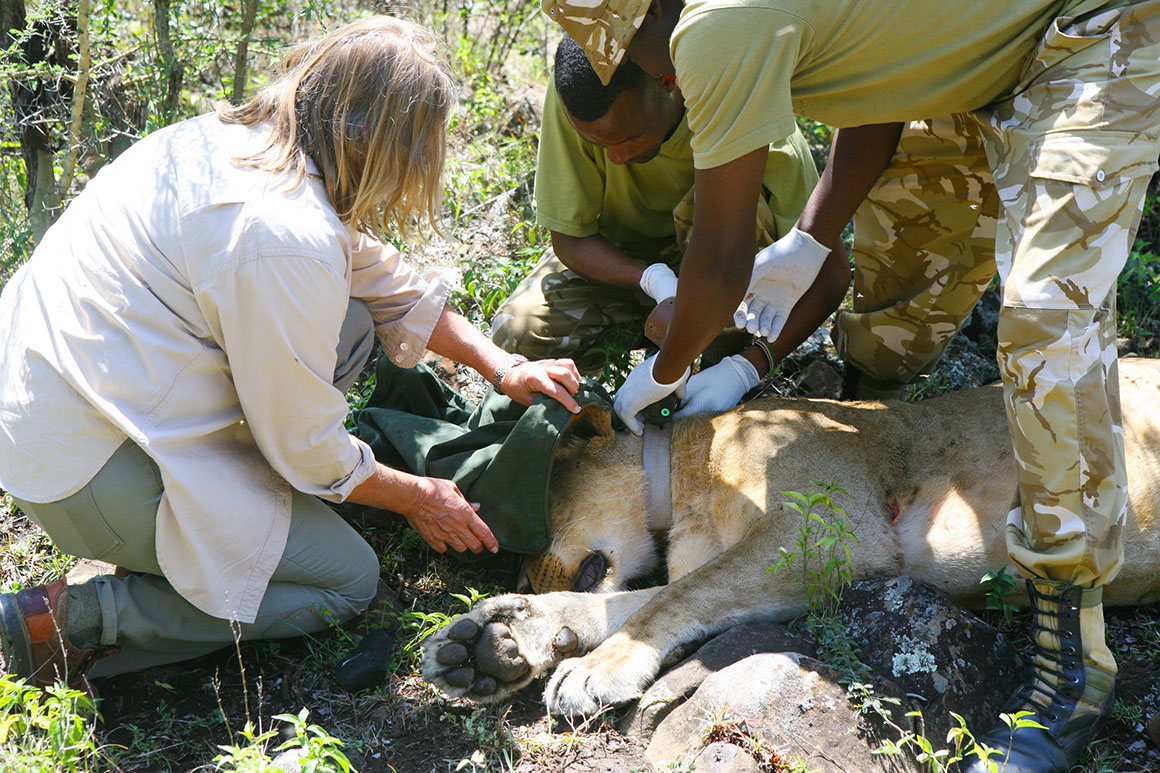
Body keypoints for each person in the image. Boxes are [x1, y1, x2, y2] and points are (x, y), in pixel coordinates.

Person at [542, 0, 1160, 770]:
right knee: (898, 308)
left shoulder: (711, 33)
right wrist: (810, 238)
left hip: (1081, 28)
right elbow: (879, 98)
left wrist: (673, 371)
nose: (669, 79)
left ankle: (1068, 674)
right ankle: (875, 379)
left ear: (651, 50)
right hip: (962, 62)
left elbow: (723, 257)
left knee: (1043, 312)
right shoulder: (708, 36)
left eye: (652, 68)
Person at [0, 16, 582, 696]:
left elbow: (377, 276)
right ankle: (82, 616)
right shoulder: (284, 234)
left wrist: (501, 365)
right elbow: (306, 446)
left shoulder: (234, 143)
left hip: (50, 406)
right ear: (372, 136)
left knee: (354, 324)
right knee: (347, 579)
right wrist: (420, 495)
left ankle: (228, 515)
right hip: (85, 469)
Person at [491, 35, 845, 428]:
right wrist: (652, 279)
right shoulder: (578, 100)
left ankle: (714, 359)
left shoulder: (753, 122)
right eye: (597, 144)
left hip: (725, 277)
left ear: (668, 82)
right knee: (517, 331)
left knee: (743, 214)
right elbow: (570, 240)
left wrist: (747, 367)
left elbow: (830, 275)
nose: (617, 158)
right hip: (620, 264)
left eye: (628, 138)